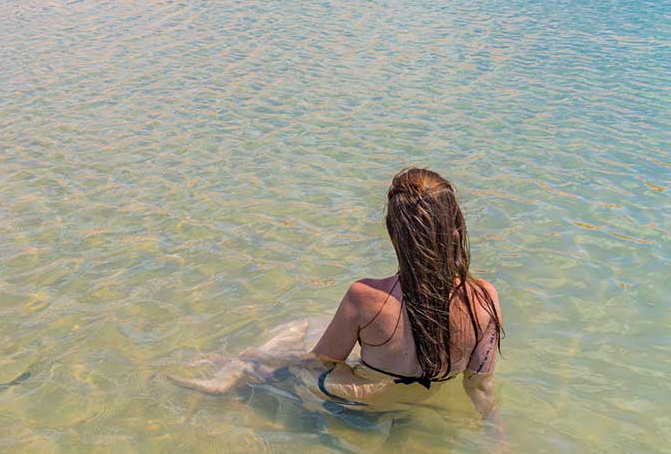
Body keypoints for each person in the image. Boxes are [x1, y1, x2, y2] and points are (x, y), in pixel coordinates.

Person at [168, 168, 503, 419]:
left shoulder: (365, 297)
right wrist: (494, 434)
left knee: (295, 339)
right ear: (456, 226)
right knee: (316, 327)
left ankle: (236, 371)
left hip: (363, 400)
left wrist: (259, 357)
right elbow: (480, 385)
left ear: (394, 232)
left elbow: (321, 362)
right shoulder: (486, 298)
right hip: (418, 402)